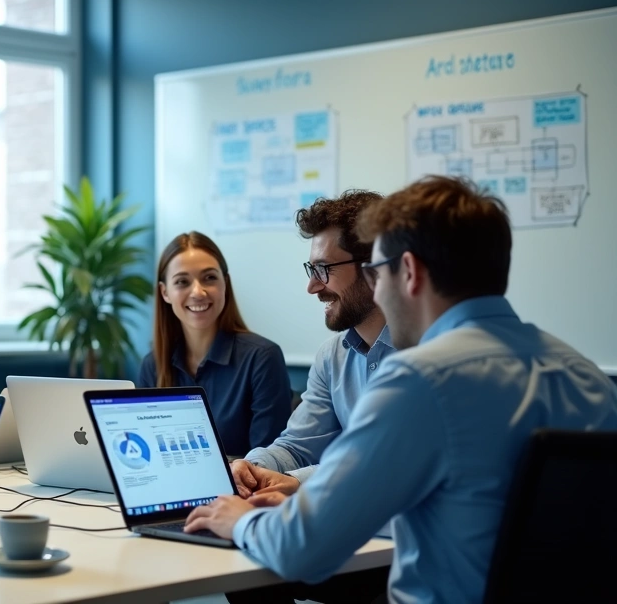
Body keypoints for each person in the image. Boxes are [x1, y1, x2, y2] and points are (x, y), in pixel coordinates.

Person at [184, 175, 617, 603]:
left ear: (408, 272)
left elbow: (301, 548)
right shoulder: (590, 381)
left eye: (379, 272)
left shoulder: (422, 380)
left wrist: (239, 520)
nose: (379, 289)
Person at [231, 190, 395, 503]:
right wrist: (252, 468)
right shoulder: (332, 356)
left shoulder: (429, 353)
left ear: (373, 267)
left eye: (324, 269)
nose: (312, 287)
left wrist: (294, 482)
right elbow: (297, 447)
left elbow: (386, 461)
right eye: (312, 270)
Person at [138, 231, 291, 457]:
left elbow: (267, 464)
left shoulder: (262, 357)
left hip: (243, 491)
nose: (198, 292)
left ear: (225, 284)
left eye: (209, 278)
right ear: (165, 292)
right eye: (182, 282)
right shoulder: (153, 365)